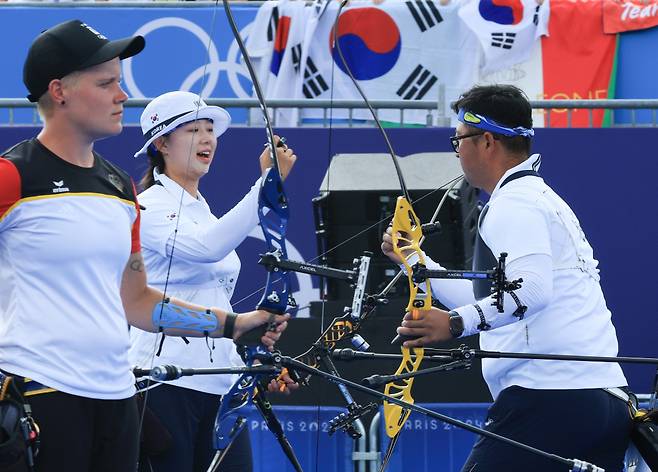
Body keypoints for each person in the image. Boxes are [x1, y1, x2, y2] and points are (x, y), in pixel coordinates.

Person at [0, 20, 288, 471]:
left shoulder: (119, 188)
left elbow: (138, 303)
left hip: (117, 397)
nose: (122, 95)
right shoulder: (12, 176)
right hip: (42, 396)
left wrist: (235, 324)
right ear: (59, 91)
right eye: (106, 83)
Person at [381, 85, 633, 471]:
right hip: (598, 400)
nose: (457, 151)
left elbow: (531, 291)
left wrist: (453, 323)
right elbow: (496, 296)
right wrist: (414, 260)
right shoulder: (538, 198)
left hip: (549, 399)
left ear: (486, 141)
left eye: (458, 140)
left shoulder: (515, 203)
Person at [128, 90, 298, 472]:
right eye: (193, 130)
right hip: (164, 383)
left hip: (222, 386)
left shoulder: (202, 211)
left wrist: (255, 353)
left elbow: (214, 298)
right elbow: (207, 248)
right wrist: (267, 183)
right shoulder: (148, 205)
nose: (207, 139)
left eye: (210, 130)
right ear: (161, 144)